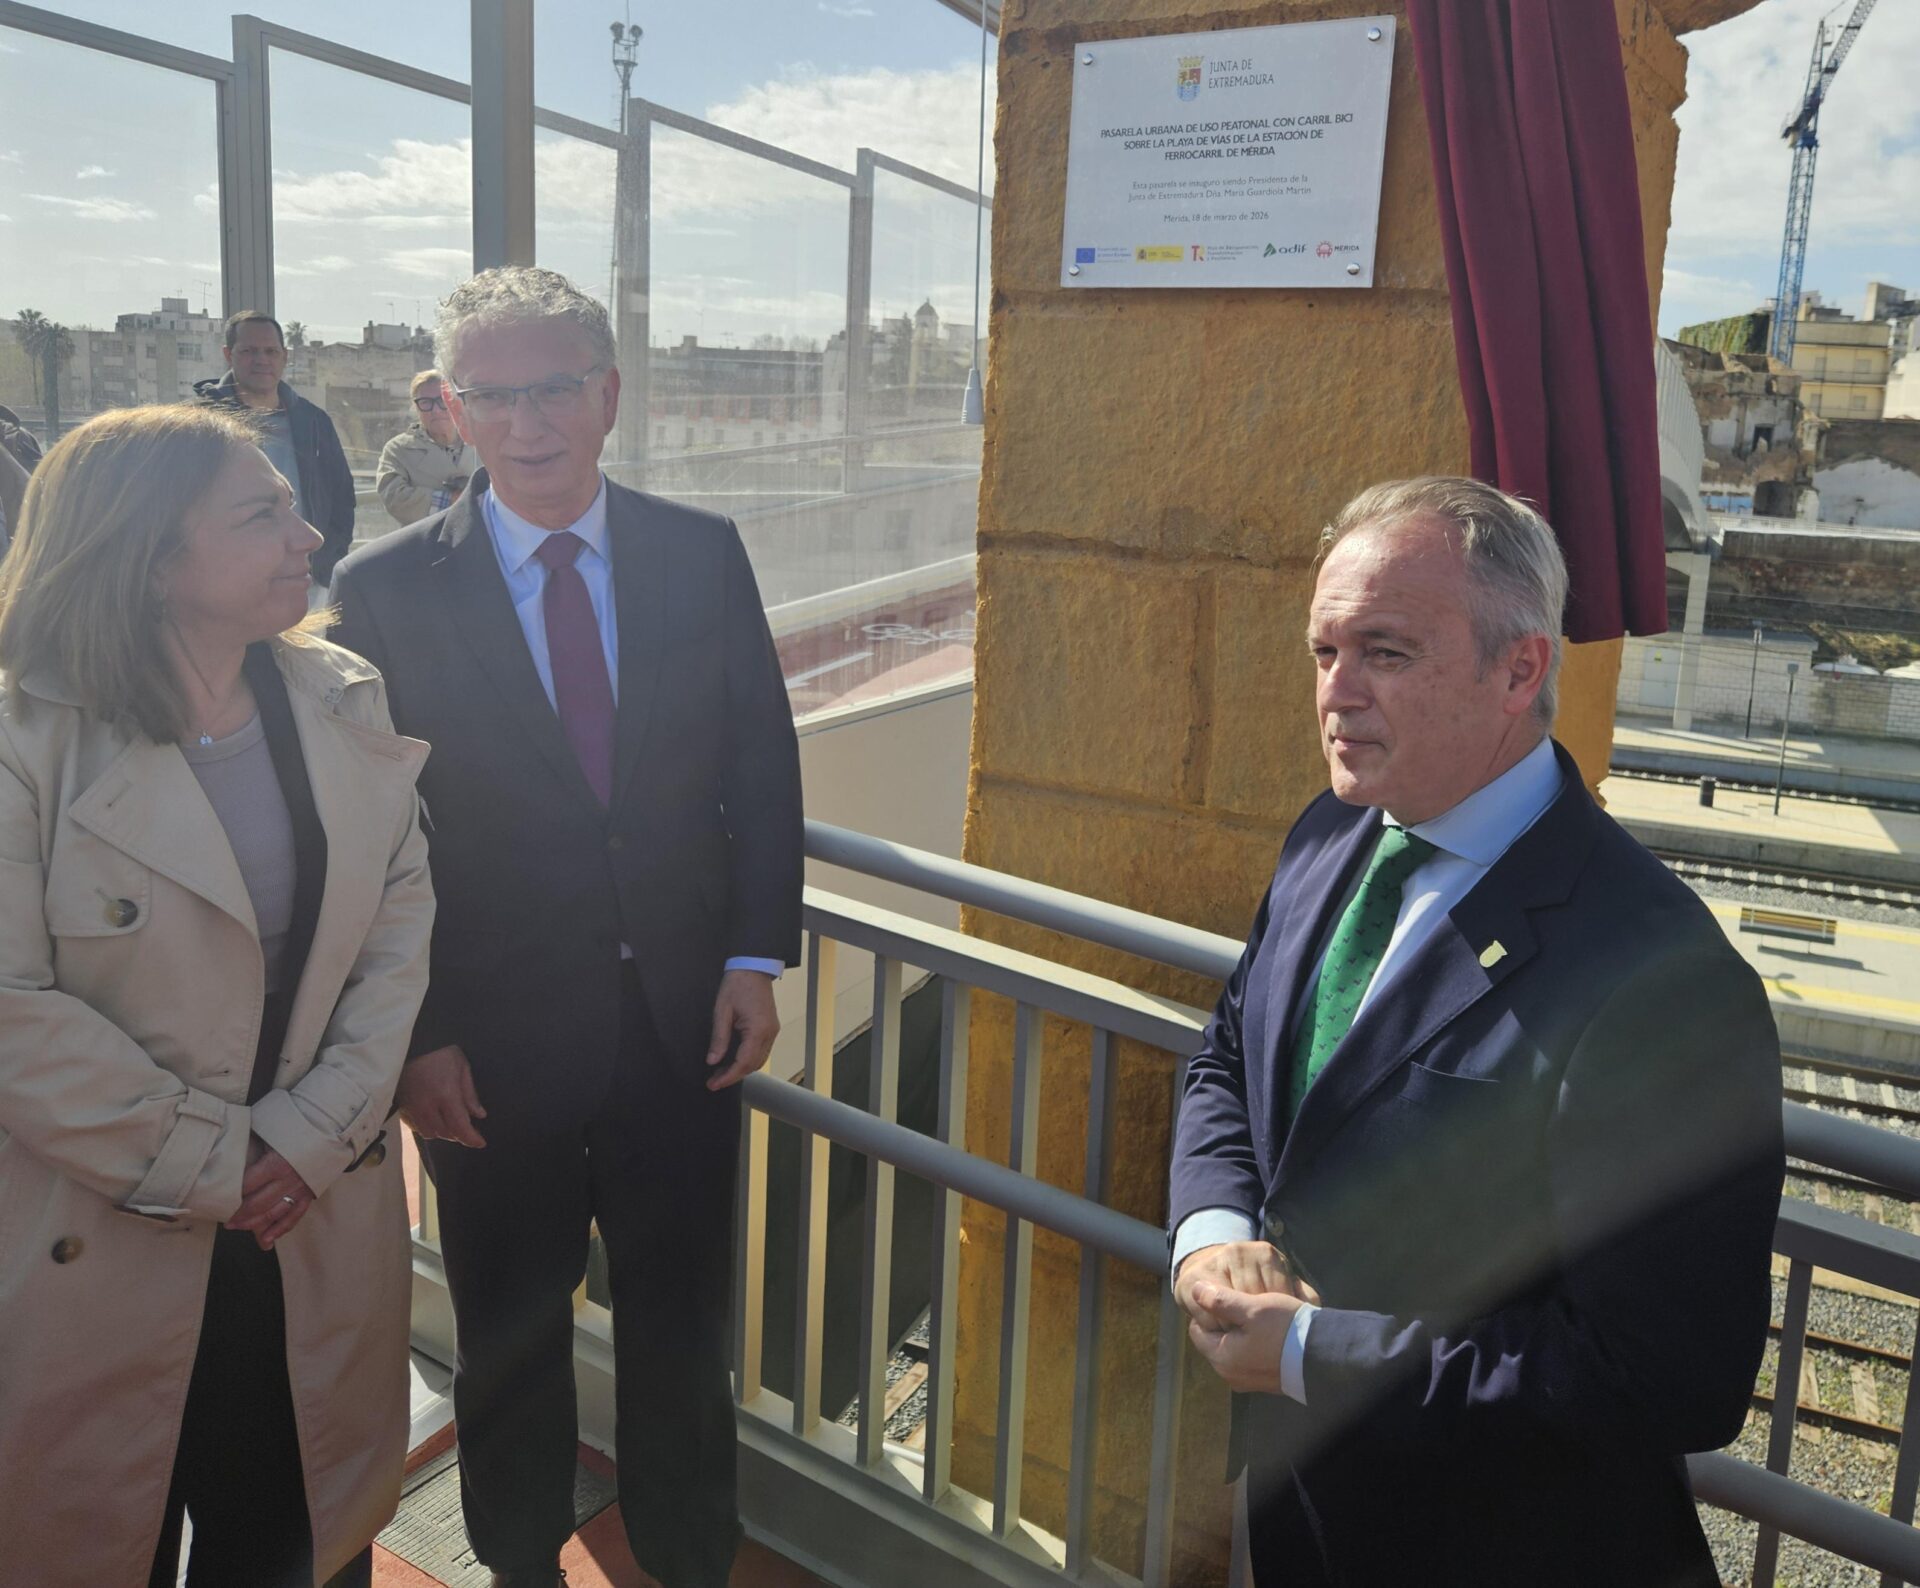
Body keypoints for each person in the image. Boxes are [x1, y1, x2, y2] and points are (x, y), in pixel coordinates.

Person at [1167, 477, 1784, 1588]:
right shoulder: (1333, 833)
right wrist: (1212, 1231)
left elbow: (1665, 1378)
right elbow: (1229, 1053)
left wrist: (1310, 1352)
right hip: (1307, 1527)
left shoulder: (1662, 977)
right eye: (1323, 651)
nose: (1335, 694)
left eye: (1387, 653)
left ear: (1521, 669)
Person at [329, 266, 803, 1588]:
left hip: (681, 1039)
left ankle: (687, 1561)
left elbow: (760, 766)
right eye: (494, 395)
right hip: (489, 1058)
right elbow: (376, 843)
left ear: (607, 394)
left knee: (681, 1340)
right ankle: (520, 1567)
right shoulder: (383, 592)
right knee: (509, 1348)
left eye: (553, 390)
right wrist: (419, 1037)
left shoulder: (698, 553)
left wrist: (755, 956)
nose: (527, 421)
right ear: (451, 410)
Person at [0, 405, 435, 1588]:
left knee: (290, 1537)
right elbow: (10, 1008)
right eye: (263, 514)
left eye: (295, 505)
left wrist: (303, 1135)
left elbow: (396, 933)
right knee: (95, 1535)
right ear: (148, 554)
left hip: (303, 1214)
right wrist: (219, 1160)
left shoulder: (340, 695)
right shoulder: (24, 734)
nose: (308, 535)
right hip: (101, 1221)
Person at [195, 311, 356, 586]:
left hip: (306, 577)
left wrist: (329, 558)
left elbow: (342, 496)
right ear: (227, 354)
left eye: (271, 351)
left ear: (285, 356)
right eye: (249, 351)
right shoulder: (199, 424)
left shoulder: (313, 421)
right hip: (230, 581)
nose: (261, 360)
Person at [376, 370, 472, 527]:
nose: (436, 410)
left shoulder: (481, 441)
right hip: (426, 542)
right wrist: (451, 501)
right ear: (416, 407)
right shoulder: (398, 450)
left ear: (455, 402)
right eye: (426, 402)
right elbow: (393, 497)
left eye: (442, 400)